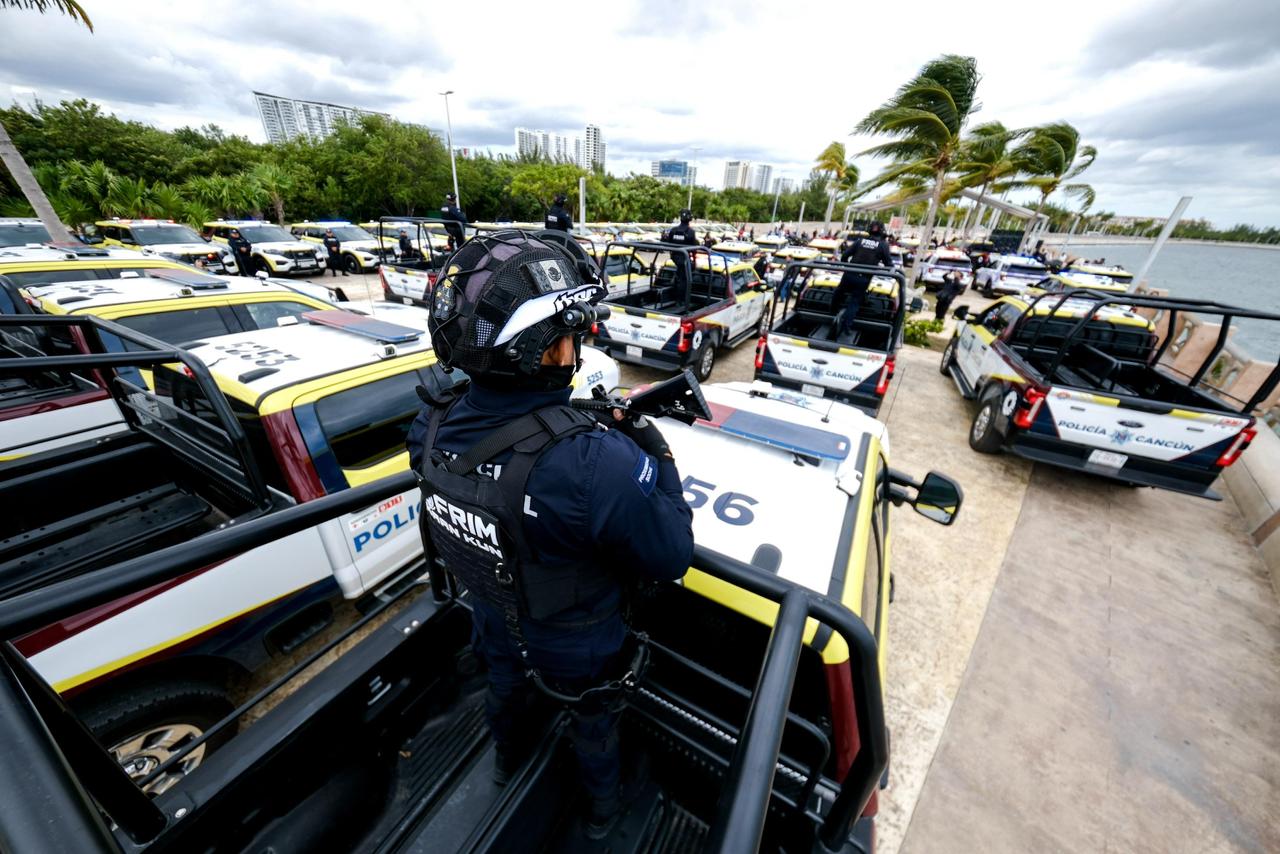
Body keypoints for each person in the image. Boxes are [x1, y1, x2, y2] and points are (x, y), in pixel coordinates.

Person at [407, 231, 693, 839]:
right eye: (572, 336)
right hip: (579, 645)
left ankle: (507, 762)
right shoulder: (596, 462)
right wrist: (652, 448)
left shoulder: (430, 423)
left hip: (491, 611)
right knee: (594, 728)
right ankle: (603, 816)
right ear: (546, 350)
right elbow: (672, 556)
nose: (576, 348)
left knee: (503, 692)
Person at [834, 220, 893, 340]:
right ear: (882, 232)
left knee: (839, 292)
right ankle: (846, 325)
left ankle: (831, 313)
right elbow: (889, 264)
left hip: (849, 274)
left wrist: (846, 267)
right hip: (864, 278)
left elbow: (845, 255)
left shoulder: (860, 241)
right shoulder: (883, 245)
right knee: (855, 302)